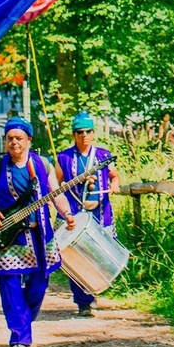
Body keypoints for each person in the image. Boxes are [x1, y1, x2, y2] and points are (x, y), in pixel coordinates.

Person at [0, 116, 76, 347]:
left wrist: (68, 213)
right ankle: (19, 338)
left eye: (19, 138)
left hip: (40, 235)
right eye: (10, 138)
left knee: (39, 285)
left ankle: (23, 324)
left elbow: (55, 193)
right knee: (10, 286)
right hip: (8, 238)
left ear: (29, 140)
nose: (14, 143)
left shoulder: (44, 165)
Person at [56, 111, 121, 317]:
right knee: (77, 256)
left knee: (97, 255)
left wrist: (115, 185)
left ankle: (95, 290)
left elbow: (114, 175)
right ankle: (83, 302)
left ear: (93, 133)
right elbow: (55, 183)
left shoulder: (103, 155)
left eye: (87, 131)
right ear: (74, 135)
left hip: (100, 212)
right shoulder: (64, 158)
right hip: (75, 212)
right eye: (79, 132)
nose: (84, 135)